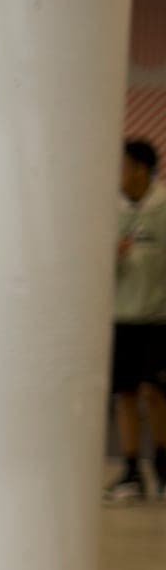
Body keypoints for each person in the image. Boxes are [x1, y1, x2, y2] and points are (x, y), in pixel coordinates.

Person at [108, 137, 166, 501]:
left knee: (153, 391)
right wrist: (113, 256)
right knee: (124, 394)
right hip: (121, 316)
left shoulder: (163, 206)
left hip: (160, 318)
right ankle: (131, 472)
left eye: (124, 167)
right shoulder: (111, 211)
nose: (119, 175)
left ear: (141, 169)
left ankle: (162, 464)